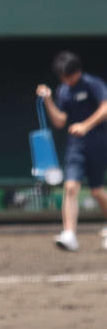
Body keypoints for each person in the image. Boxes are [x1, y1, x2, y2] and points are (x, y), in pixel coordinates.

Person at [37, 51, 107, 251]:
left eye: (67, 75)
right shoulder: (63, 91)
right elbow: (60, 121)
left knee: (97, 190)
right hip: (75, 146)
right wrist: (49, 100)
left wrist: (85, 125)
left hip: (98, 143)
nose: (65, 79)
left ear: (76, 72)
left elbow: (105, 107)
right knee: (70, 187)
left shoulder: (92, 84)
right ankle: (69, 234)